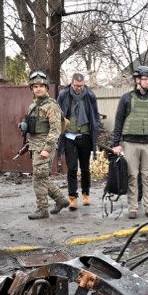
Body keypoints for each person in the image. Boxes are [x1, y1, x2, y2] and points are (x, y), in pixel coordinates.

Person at [112, 66, 148, 219]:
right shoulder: (126, 98)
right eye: (144, 79)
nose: (147, 82)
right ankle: (133, 208)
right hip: (130, 143)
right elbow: (118, 121)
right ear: (137, 80)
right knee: (132, 176)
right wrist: (116, 143)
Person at [23, 71, 69, 220]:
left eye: (41, 86)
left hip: (44, 146)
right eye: (35, 86)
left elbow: (55, 130)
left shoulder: (51, 106)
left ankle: (42, 209)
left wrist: (47, 149)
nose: (38, 89)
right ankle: (61, 200)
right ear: (32, 88)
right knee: (41, 176)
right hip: (35, 145)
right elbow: (34, 125)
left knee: (38, 178)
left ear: (46, 88)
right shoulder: (33, 106)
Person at [57, 72, 100, 209]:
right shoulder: (64, 95)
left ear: (84, 84)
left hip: (85, 136)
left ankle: (86, 194)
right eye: (76, 86)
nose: (79, 88)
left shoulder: (90, 96)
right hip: (69, 137)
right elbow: (58, 114)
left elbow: (95, 115)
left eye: (81, 86)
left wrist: (96, 128)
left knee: (85, 168)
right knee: (72, 169)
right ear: (72, 83)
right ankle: (72, 198)